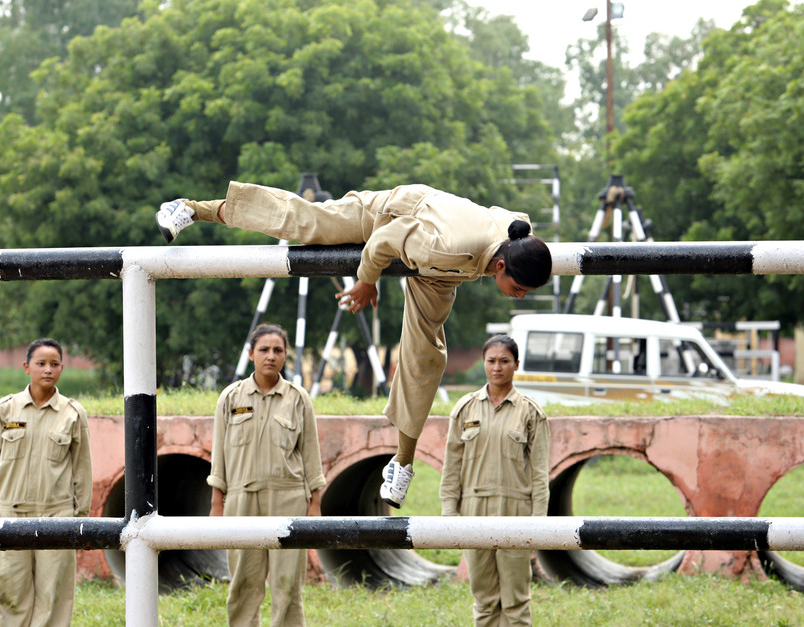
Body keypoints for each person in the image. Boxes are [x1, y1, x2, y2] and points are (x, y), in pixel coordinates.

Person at [156, 183, 552, 508]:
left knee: (427, 356)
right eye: (518, 289)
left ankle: (402, 463)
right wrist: (366, 281)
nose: (518, 296)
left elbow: (513, 220)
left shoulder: (516, 235)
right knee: (302, 222)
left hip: (441, 273)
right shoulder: (445, 245)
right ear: (500, 266)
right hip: (387, 218)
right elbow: (385, 240)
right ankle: (192, 207)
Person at [207, 323, 325, 627]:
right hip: (241, 500)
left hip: (288, 500)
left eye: (277, 350)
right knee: (244, 584)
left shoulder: (298, 399)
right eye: (264, 350)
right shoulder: (231, 398)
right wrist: (217, 506)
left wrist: (315, 507)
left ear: (286, 355)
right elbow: (218, 457)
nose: (270, 356)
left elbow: (311, 457)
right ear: (251, 354)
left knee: (288, 586)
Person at [439, 335, 549, 627]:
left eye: (504, 361)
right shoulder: (464, 409)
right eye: (491, 361)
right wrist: (450, 513)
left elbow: (540, 473)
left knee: (515, 601)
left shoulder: (530, 412)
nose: (497, 367)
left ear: (516, 364)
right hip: (473, 511)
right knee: (485, 600)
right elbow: (452, 467)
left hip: (516, 511)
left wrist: (538, 522)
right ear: (483, 363)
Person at [0, 338, 93, 627]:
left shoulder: (72, 413)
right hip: (8, 514)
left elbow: (82, 470)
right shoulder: (5, 410)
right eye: (40, 363)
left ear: (62, 368)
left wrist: (78, 519)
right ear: (26, 367)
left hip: (56, 516)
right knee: (8, 595)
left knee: (53, 598)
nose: (48, 370)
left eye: (54, 364)